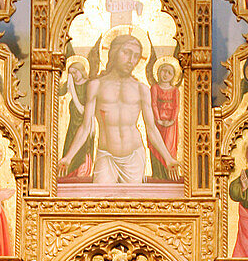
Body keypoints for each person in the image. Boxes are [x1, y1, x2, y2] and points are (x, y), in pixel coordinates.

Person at [59, 34, 180, 185]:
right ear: (114, 52)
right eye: (127, 52)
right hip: (106, 156)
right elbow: (86, 126)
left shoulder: (141, 89)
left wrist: (168, 158)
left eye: (136, 56)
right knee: (99, 204)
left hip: (134, 157)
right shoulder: (96, 86)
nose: (131, 60)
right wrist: (68, 157)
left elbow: (151, 129)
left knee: (135, 205)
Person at [59, 61, 93, 177]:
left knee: (82, 151)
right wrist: (67, 81)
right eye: (71, 73)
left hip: (85, 123)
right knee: (69, 145)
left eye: (75, 72)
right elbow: (58, 92)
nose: (74, 75)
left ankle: (82, 173)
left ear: (82, 71)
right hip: (72, 125)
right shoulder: (70, 84)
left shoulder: (90, 85)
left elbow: (85, 110)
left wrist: (72, 87)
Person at [149, 62, 180, 180]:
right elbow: (153, 103)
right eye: (163, 71)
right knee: (156, 145)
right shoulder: (155, 88)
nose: (165, 75)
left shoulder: (175, 90)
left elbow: (176, 106)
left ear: (173, 76)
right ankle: (158, 174)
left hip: (171, 124)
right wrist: (158, 119)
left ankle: (170, 176)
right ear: (158, 72)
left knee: (169, 146)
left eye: (169, 73)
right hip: (157, 123)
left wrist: (172, 120)